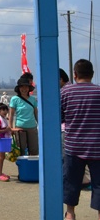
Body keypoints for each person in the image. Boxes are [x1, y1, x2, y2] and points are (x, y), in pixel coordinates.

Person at [61, 59, 100, 220]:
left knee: (71, 184)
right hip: (98, 148)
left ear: (75, 75)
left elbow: (59, 117)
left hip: (73, 147)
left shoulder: (66, 92)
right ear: (92, 74)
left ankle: (70, 214)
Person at [8, 76, 38, 156]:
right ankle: (23, 167)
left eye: (26, 87)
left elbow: (36, 114)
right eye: (22, 87)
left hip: (32, 127)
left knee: (34, 151)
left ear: (29, 88)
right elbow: (11, 115)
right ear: (19, 88)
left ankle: (33, 167)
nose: (24, 89)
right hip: (20, 128)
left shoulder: (33, 99)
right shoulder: (14, 99)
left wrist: (40, 125)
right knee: (21, 151)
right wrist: (10, 128)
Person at [0, 103, 11, 181]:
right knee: (0, 157)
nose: (5, 111)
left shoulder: (4, 118)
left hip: (4, 139)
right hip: (0, 140)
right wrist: (7, 130)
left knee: (2, 157)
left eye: (6, 110)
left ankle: (0, 173)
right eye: (3, 110)